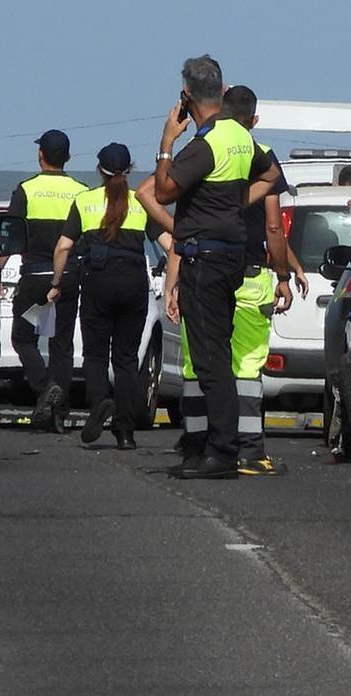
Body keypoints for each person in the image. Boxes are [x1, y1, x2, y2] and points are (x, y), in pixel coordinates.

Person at [135, 55, 283, 479]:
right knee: (218, 354)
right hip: (232, 256)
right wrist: (236, 203)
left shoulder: (205, 145)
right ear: (221, 91)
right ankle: (220, 447)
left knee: (209, 359)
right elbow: (270, 173)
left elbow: (161, 192)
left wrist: (166, 141)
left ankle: (220, 451)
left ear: (186, 97)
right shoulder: (240, 136)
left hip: (205, 257)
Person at [48, 144, 170, 449]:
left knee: (96, 354)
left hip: (97, 282)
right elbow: (170, 243)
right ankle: (125, 431)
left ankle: (100, 401)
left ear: (98, 170)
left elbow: (63, 246)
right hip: (133, 283)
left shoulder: (85, 201)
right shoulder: (142, 202)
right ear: (129, 170)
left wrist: (56, 281)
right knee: (127, 359)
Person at [7, 130, 89, 430]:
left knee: (24, 337)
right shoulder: (80, 191)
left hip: (35, 279)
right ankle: (58, 412)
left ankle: (44, 389)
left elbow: (10, 235)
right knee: (61, 343)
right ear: (67, 157)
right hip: (67, 277)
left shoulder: (27, 189)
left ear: (40, 155)